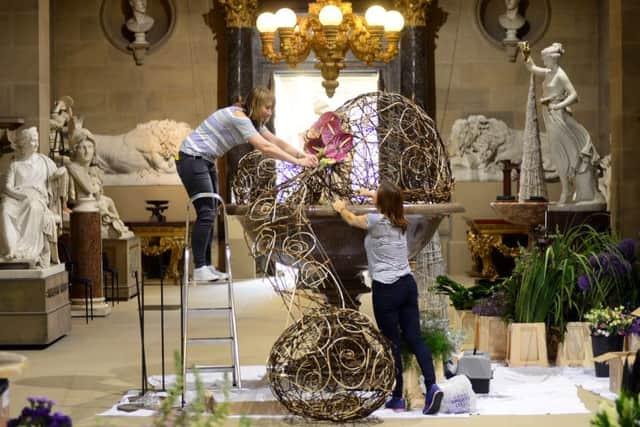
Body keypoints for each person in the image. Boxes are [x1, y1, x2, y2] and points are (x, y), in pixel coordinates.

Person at [177, 87, 318, 282]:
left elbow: (276, 141)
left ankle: (206, 266)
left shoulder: (253, 122)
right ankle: (200, 267)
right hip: (191, 158)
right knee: (206, 213)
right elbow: (266, 147)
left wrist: (302, 155)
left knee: (211, 211)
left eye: (272, 108)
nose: (270, 112)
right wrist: (298, 163)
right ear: (255, 105)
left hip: (206, 160)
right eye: (267, 108)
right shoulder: (239, 117)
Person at [331, 182, 443, 415]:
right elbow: (390, 198)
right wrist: (366, 193)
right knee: (414, 337)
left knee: (392, 342)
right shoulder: (401, 220)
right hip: (407, 284)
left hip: (386, 289)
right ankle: (432, 386)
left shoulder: (374, 222)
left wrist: (341, 207)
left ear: (381, 203)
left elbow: (352, 219)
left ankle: (397, 397)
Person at [523, 42, 605, 206]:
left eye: (545, 58)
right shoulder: (548, 72)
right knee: (556, 153)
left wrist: (557, 105)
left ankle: (570, 189)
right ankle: (566, 189)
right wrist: (525, 52)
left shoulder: (560, 74)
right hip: (550, 117)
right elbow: (531, 68)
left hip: (559, 117)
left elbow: (574, 95)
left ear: (552, 59)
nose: (543, 61)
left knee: (563, 152)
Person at [0, 127, 66, 267]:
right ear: (24, 144)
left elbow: (55, 180)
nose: (35, 144)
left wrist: (61, 175)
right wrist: (20, 195)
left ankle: (29, 251)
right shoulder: (15, 165)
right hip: (16, 197)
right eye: (32, 141)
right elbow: (7, 187)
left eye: (36, 141)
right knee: (4, 209)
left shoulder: (45, 162)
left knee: (33, 206)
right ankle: (11, 250)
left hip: (36, 199)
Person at [65, 128, 133, 239]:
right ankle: (113, 225)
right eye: (83, 147)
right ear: (75, 150)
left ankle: (116, 222)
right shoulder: (74, 169)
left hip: (92, 208)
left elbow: (96, 191)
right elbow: (89, 190)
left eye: (90, 147)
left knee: (109, 202)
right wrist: (95, 187)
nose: (87, 151)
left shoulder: (89, 170)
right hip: (84, 212)